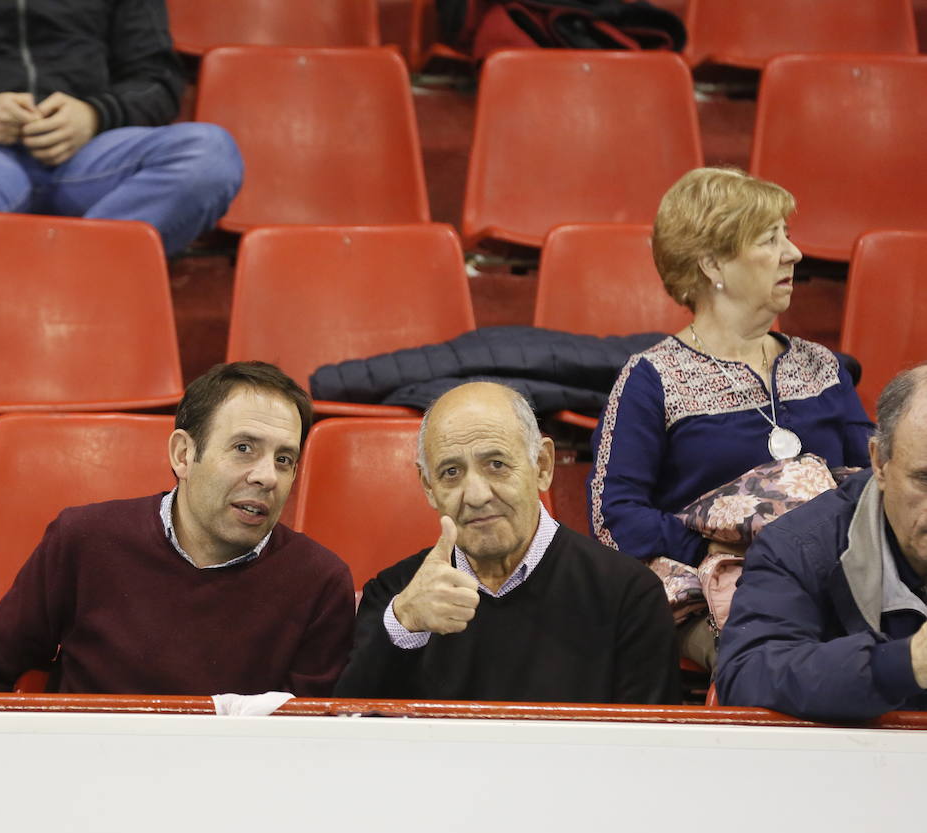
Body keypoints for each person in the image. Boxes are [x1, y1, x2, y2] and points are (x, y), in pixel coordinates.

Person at [588, 167, 874, 668]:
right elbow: (613, 516)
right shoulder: (652, 377)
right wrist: (720, 544)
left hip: (835, 575)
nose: (794, 253)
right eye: (770, 239)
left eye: (788, 236)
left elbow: (875, 484)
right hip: (714, 594)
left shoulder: (824, 367)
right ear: (712, 262)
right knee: (779, 663)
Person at [0, 362, 354, 696]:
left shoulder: (319, 582)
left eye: (284, 459)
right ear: (183, 455)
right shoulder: (84, 540)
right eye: (244, 448)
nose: (268, 476)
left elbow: (311, 737)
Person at [0, 0, 244, 296]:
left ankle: (37, 301)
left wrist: (95, 115)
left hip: (92, 154)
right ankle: (0, 329)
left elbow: (158, 79)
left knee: (210, 157)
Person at [336, 382, 679, 703]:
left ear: (542, 466)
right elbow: (345, 733)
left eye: (496, 465)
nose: (476, 495)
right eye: (451, 472)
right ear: (428, 486)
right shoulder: (395, 596)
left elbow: (647, 754)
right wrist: (404, 624)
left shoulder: (629, 596)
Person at [717, 367, 927, 720]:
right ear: (878, 462)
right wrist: (906, 663)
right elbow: (747, 674)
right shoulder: (799, 546)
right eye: (925, 479)